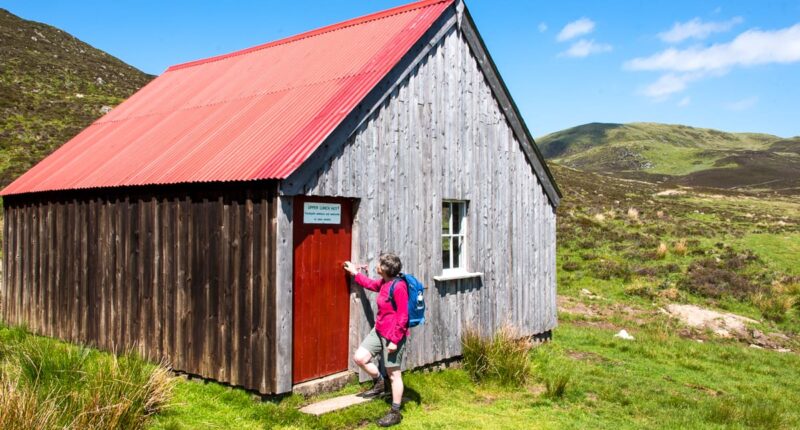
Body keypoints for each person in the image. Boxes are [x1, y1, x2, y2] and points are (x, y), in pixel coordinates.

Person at [344, 253, 409, 428]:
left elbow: (403, 316)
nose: (377, 265)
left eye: (379, 264)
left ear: (385, 269)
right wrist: (355, 274)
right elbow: (372, 285)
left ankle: (395, 412)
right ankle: (379, 383)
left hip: (393, 335)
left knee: (394, 373)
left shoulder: (399, 286)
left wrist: (395, 340)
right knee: (360, 358)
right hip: (379, 330)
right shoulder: (385, 282)